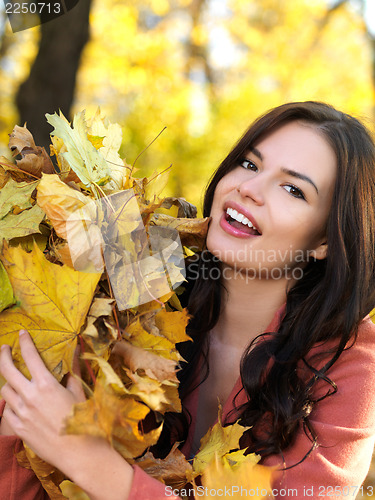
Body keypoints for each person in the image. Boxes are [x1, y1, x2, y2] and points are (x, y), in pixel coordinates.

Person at [1, 101, 375, 500]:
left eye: (292, 189)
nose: (248, 188)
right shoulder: (134, 287)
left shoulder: (349, 365)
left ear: (325, 241)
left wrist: (89, 462)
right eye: (250, 164)